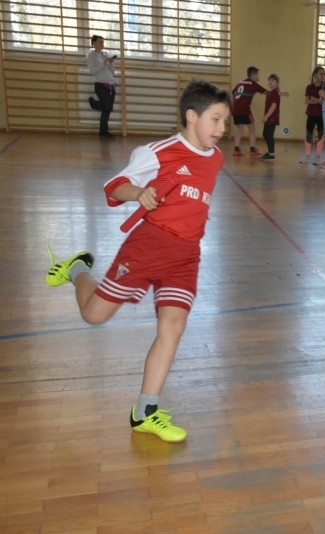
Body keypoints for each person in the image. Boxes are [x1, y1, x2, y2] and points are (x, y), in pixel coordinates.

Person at [44, 80, 231, 442]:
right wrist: (140, 193)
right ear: (192, 116)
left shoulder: (217, 158)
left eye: (225, 121)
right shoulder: (158, 151)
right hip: (148, 246)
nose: (222, 129)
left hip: (187, 254)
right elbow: (114, 186)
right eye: (216, 119)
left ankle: (145, 411)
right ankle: (77, 268)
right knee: (94, 315)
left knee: (172, 326)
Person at [86, 35, 117, 139]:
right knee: (107, 106)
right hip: (100, 84)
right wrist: (103, 64)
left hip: (111, 84)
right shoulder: (91, 56)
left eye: (103, 42)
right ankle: (94, 104)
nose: (102, 44)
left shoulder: (105, 54)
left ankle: (103, 131)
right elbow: (92, 71)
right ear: (93, 43)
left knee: (107, 109)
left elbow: (111, 72)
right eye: (100, 42)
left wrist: (111, 64)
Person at [231, 66, 266, 157]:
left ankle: (236, 149)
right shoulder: (253, 84)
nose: (258, 77)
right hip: (244, 109)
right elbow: (267, 92)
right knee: (252, 128)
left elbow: (233, 93)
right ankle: (253, 149)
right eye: (257, 74)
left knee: (239, 128)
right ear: (253, 75)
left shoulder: (240, 83)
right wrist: (278, 93)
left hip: (235, 109)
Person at [300, 67, 325, 164]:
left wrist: (314, 99)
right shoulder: (309, 87)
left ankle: (317, 156)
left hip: (321, 115)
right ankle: (307, 155)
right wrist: (317, 100)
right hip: (311, 114)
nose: (322, 76)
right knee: (308, 134)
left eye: (324, 74)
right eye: (320, 73)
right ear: (315, 75)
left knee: (320, 135)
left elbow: (323, 102)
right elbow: (307, 100)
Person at [260, 74, 281, 161]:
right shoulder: (270, 92)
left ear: (276, 82)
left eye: (272, 80)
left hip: (272, 117)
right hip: (269, 117)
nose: (270, 82)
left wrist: (266, 116)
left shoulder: (275, 93)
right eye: (269, 80)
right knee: (265, 134)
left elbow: (273, 106)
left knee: (269, 135)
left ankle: (271, 154)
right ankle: (269, 152)